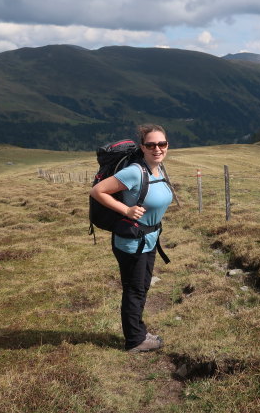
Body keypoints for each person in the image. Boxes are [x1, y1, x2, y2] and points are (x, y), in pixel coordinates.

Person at [90, 124, 173, 352]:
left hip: (149, 239)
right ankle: (135, 340)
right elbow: (97, 191)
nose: (157, 148)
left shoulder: (158, 168)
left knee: (141, 287)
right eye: (151, 145)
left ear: (167, 145)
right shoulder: (135, 171)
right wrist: (126, 211)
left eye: (162, 144)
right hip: (132, 242)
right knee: (134, 289)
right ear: (142, 147)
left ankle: (138, 331)